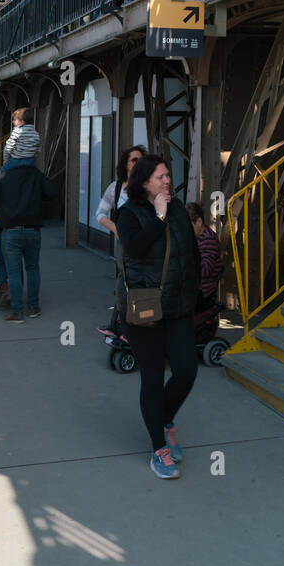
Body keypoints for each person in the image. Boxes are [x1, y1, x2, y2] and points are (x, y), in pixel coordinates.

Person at [115, 154, 200, 479]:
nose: (167, 181)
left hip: (177, 306)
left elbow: (189, 252)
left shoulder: (178, 209)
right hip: (143, 307)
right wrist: (159, 217)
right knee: (152, 378)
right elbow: (134, 249)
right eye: (160, 177)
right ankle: (158, 449)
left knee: (186, 371)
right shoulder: (128, 214)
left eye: (168, 176)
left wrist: (199, 294)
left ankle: (164, 419)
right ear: (144, 182)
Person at [0, 155, 56, 322]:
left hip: (10, 229)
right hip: (33, 228)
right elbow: (52, 193)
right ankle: (34, 307)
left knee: (13, 272)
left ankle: (17, 312)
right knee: (32, 269)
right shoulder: (36, 174)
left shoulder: (4, 176)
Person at [95, 145, 145, 240]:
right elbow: (100, 213)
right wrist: (116, 229)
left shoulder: (151, 185)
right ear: (126, 164)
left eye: (141, 160)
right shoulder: (115, 187)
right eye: (134, 160)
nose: (138, 163)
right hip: (126, 242)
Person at [186, 202, 223, 309]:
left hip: (202, 290)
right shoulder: (196, 238)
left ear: (199, 222)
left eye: (189, 226)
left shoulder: (208, 239)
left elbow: (205, 270)